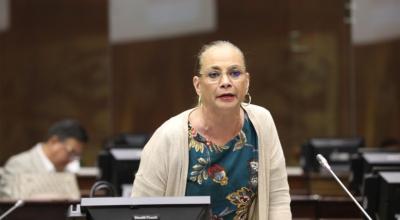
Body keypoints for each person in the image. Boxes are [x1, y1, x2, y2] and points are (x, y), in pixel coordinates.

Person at [131, 41, 291, 219]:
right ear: (197, 85)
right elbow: (142, 212)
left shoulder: (262, 123)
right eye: (214, 74)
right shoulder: (168, 137)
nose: (225, 82)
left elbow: (278, 200)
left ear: (246, 82)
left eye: (235, 73)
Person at [0, 119, 88, 198]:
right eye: (71, 152)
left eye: (77, 155)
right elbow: (9, 202)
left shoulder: (67, 171)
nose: (72, 159)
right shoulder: (20, 164)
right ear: (54, 141)